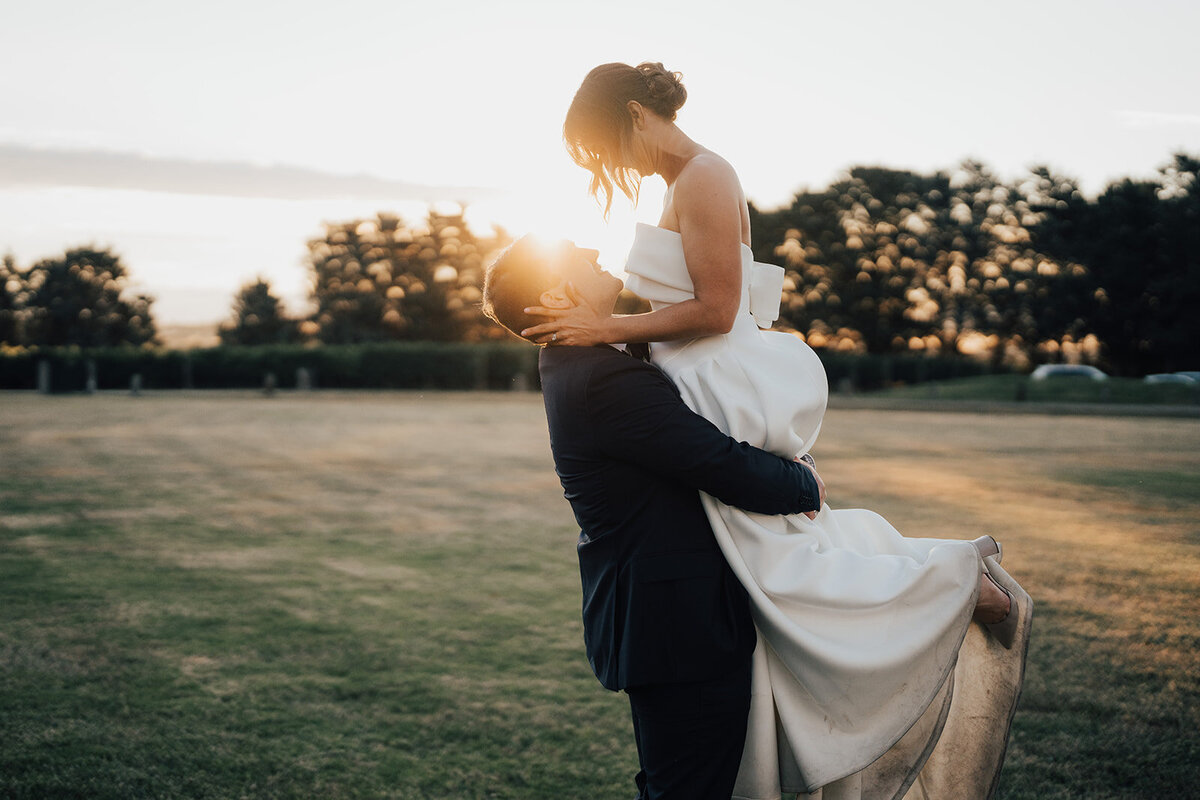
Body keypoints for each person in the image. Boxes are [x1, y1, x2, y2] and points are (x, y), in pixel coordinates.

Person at [517, 62, 1033, 800]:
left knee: (775, 561)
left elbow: (720, 307)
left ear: (635, 114)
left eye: (606, 146)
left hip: (712, 372)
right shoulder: (677, 185)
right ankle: (937, 593)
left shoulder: (704, 174)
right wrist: (619, 339)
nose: (611, 166)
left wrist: (609, 325)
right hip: (687, 377)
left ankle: (952, 588)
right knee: (766, 561)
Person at [482, 235, 826, 799]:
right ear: (557, 293)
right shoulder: (600, 380)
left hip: (659, 618)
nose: (597, 256)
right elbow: (715, 461)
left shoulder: (584, 363)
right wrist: (803, 480)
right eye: (581, 258)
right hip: (676, 624)